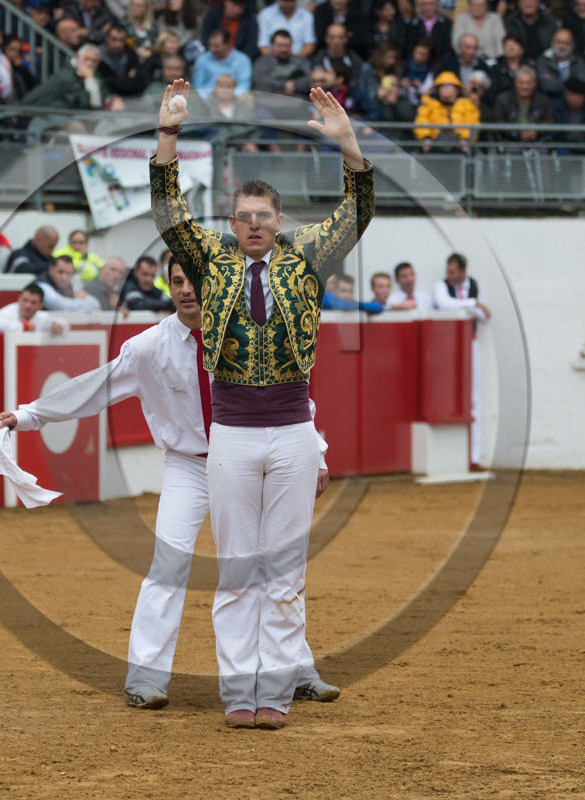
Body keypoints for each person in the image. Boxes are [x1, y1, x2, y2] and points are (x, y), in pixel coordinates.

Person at [0, 260, 340, 713]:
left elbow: (291, 399)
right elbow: (95, 387)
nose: (187, 291)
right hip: (189, 467)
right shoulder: (149, 346)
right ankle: (145, 676)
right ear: (168, 286)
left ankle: (293, 670)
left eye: (195, 282)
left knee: (270, 564)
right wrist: (30, 414)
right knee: (169, 563)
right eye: (177, 282)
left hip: (246, 461)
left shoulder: (248, 333)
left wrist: (314, 450)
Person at [151, 79, 374, 730]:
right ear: (232, 223)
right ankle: (238, 691)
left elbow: (359, 209)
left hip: (294, 430)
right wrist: (168, 135)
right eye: (244, 217)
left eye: (263, 216)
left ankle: (273, 691)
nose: (253, 225)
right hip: (234, 433)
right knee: (238, 569)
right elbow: (167, 210)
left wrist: (347, 142)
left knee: (283, 570)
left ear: (279, 221)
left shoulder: (308, 255)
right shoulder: (212, 260)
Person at [0, 284, 68, 466]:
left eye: (33, 302)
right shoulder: (5, 314)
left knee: (13, 425)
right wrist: (24, 326)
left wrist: (57, 327)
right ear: (18, 299)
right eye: (25, 300)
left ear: (40, 306)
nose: (28, 305)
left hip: (12, 378)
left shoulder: (41, 318)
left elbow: (64, 325)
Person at [431, 252, 489, 471]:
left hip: (471, 343)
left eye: (453, 272)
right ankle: (452, 455)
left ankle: (473, 457)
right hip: (447, 347)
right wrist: (472, 303)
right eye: (448, 271)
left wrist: (469, 306)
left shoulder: (476, 284)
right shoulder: (442, 286)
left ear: (463, 272)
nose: (449, 275)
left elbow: (485, 316)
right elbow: (444, 304)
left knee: (475, 399)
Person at [413, 70, 479, 148]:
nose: (445, 87)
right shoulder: (428, 104)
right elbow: (421, 121)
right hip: (434, 146)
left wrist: (466, 139)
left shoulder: (467, 105)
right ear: (437, 89)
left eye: (450, 85)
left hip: (460, 147)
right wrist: (426, 138)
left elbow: (473, 122)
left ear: (457, 89)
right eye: (442, 85)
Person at [192, 28, 252, 97]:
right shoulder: (202, 59)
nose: (212, 49)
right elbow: (198, 86)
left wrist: (228, 97)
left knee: (247, 98)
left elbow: (244, 85)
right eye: (210, 45)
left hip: (234, 99)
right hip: (208, 99)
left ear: (227, 44)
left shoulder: (242, 60)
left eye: (216, 46)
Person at [36, 255, 103, 311]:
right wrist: (80, 301)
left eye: (68, 273)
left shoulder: (69, 286)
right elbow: (62, 306)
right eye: (60, 272)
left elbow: (96, 305)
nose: (64, 277)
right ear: (50, 270)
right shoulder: (41, 286)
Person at [536, 28, 585, 99]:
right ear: (552, 43)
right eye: (559, 42)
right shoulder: (543, 60)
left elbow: (580, 86)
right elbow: (546, 86)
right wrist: (570, 86)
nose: (562, 47)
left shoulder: (578, 62)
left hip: (573, 102)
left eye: (566, 43)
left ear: (572, 46)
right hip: (549, 101)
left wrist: (554, 81)